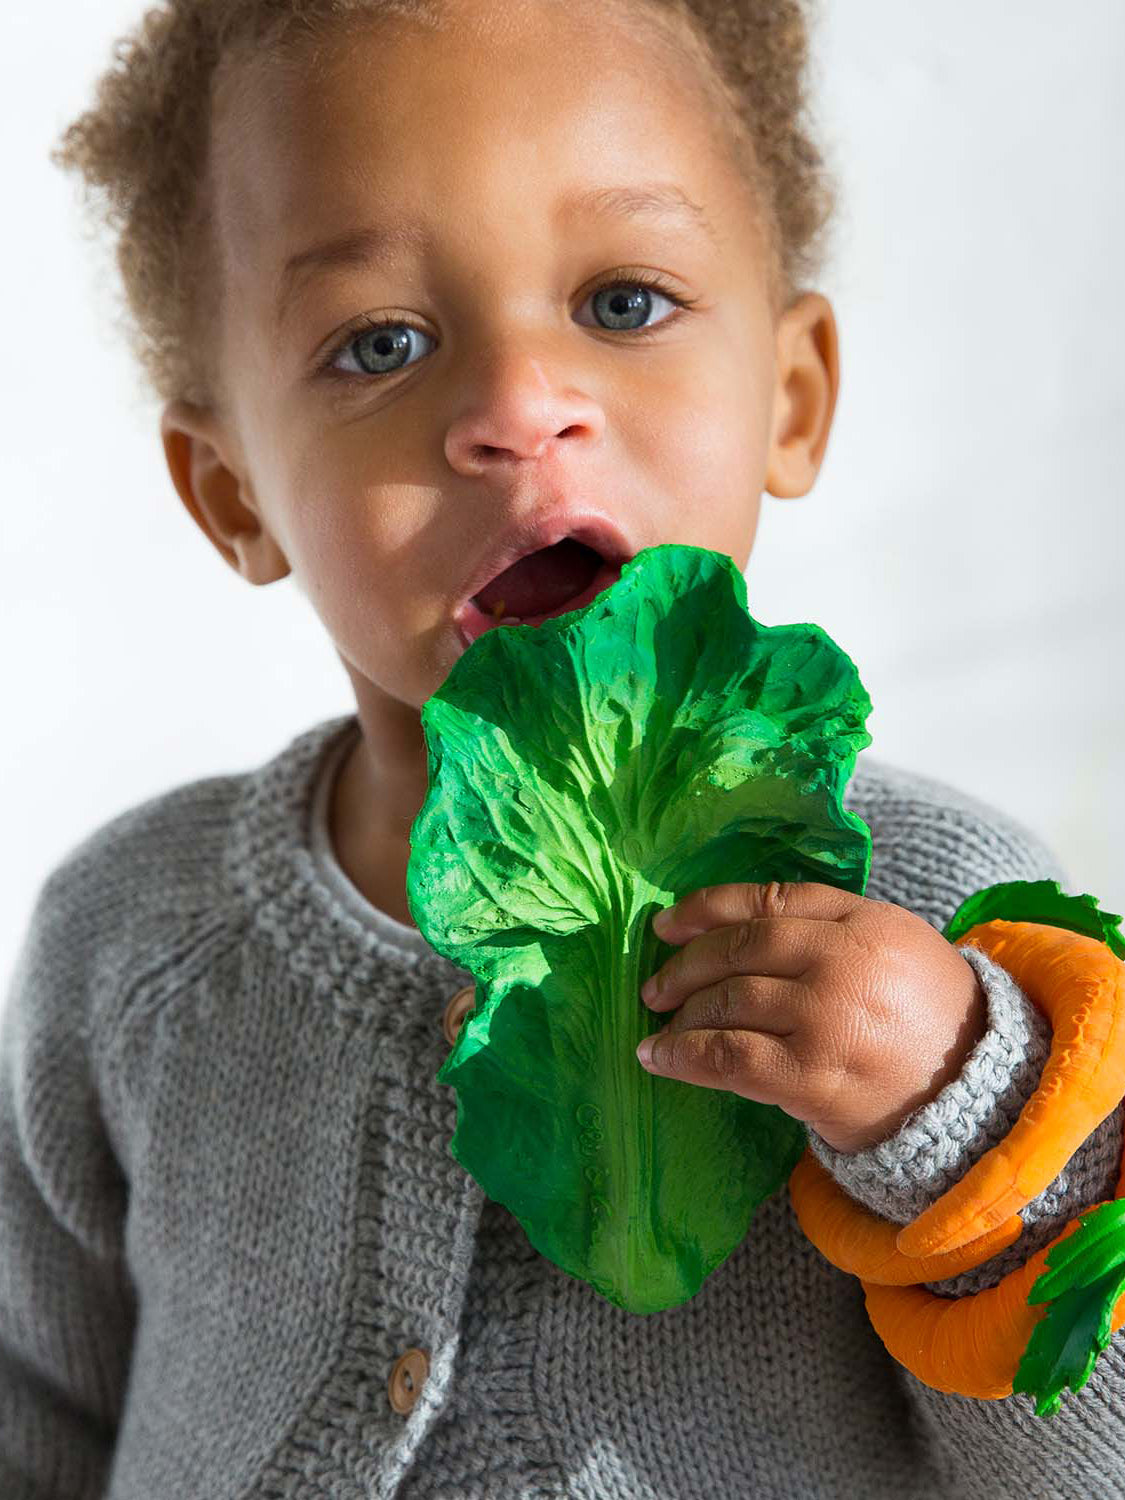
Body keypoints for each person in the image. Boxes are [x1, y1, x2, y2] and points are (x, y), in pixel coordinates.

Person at [3, 0, 1121, 1494]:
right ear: (235, 495)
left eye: (624, 303)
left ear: (790, 400)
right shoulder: (131, 935)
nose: (518, 408)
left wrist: (955, 1114)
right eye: (382, 343)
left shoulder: (942, 915)